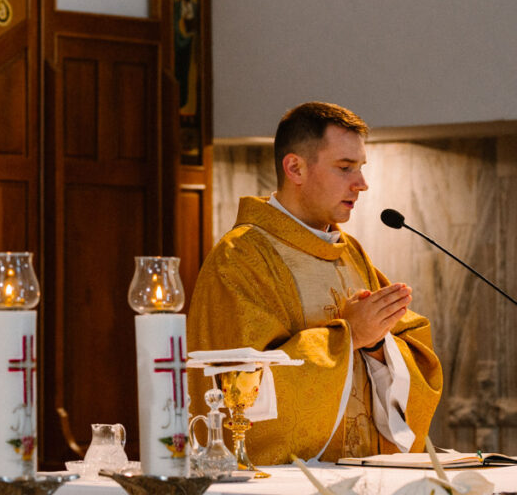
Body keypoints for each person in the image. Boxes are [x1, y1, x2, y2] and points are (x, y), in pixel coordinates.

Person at [187, 102, 442, 464]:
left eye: (361, 168)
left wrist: (378, 347)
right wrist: (349, 336)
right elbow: (242, 391)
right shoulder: (241, 258)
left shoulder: (350, 253)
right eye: (345, 168)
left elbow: (408, 356)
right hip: (283, 488)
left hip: (363, 473)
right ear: (295, 168)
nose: (362, 184)